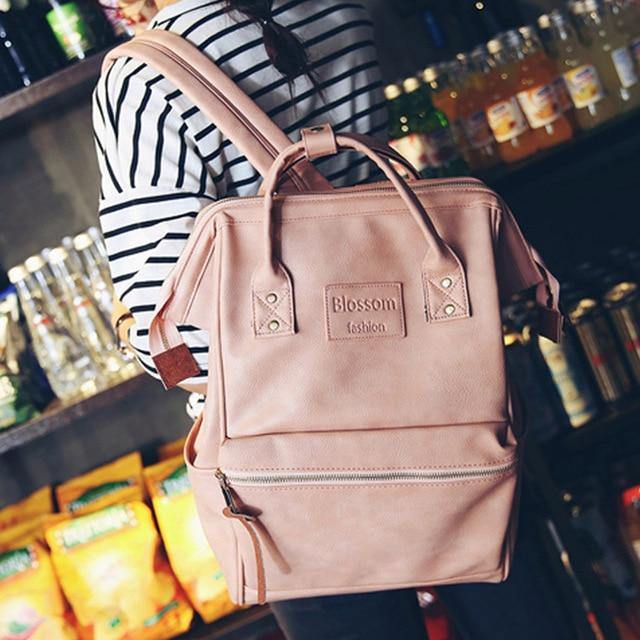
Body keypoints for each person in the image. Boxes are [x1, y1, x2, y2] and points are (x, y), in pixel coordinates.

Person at [93, 1, 576, 638]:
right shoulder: (339, 7)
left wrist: (129, 332)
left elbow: (182, 345)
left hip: (295, 466)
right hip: (445, 409)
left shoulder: (142, 79)